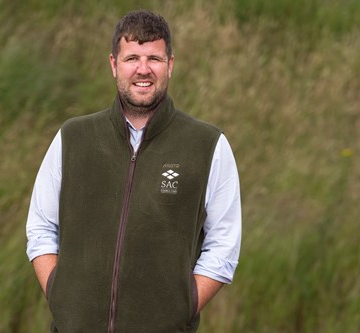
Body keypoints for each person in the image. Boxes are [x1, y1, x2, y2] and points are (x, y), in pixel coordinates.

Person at [26, 9, 241, 333]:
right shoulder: (73, 138)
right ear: (114, 65)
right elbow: (41, 227)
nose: (143, 69)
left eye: (154, 58)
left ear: (170, 65)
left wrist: (181, 308)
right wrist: (61, 299)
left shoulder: (207, 145)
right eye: (132, 58)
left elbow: (225, 242)